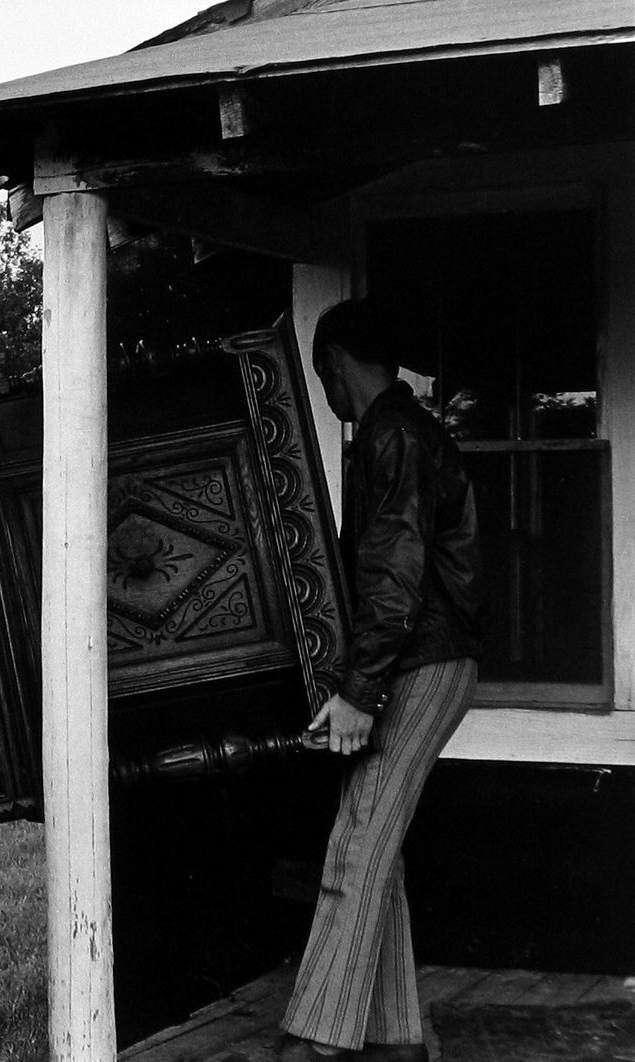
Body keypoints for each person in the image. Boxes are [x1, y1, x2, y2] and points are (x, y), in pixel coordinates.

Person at [278, 300, 485, 1062]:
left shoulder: (393, 436)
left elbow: (395, 571)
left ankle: (317, 1037)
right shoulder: (398, 432)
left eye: (321, 370)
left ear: (334, 361)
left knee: (358, 838)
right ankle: (395, 1036)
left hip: (420, 661)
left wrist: (360, 693)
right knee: (379, 842)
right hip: (426, 656)